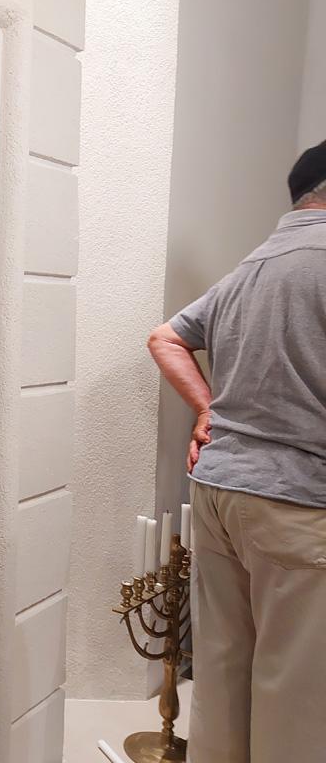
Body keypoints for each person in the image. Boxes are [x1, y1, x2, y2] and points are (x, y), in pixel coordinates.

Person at [147, 141, 326, 763]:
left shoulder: (252, 266)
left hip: (220, 490)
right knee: (297, 695)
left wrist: (208, 411)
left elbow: (165, 338)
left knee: (222, 671)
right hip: (298, 498)